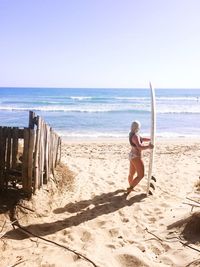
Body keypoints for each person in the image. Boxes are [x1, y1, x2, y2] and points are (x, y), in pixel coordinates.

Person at [127, 120, 153, 192]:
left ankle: (130, 185)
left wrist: (150, 139)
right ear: (137, 128)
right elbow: (140, 147)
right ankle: (130, 188)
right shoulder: (135, 136)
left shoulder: (132, 134)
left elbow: (141, 139)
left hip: (131, 155)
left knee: (131, 174)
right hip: (136, 157)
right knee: (141, 175)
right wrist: (148, 146)